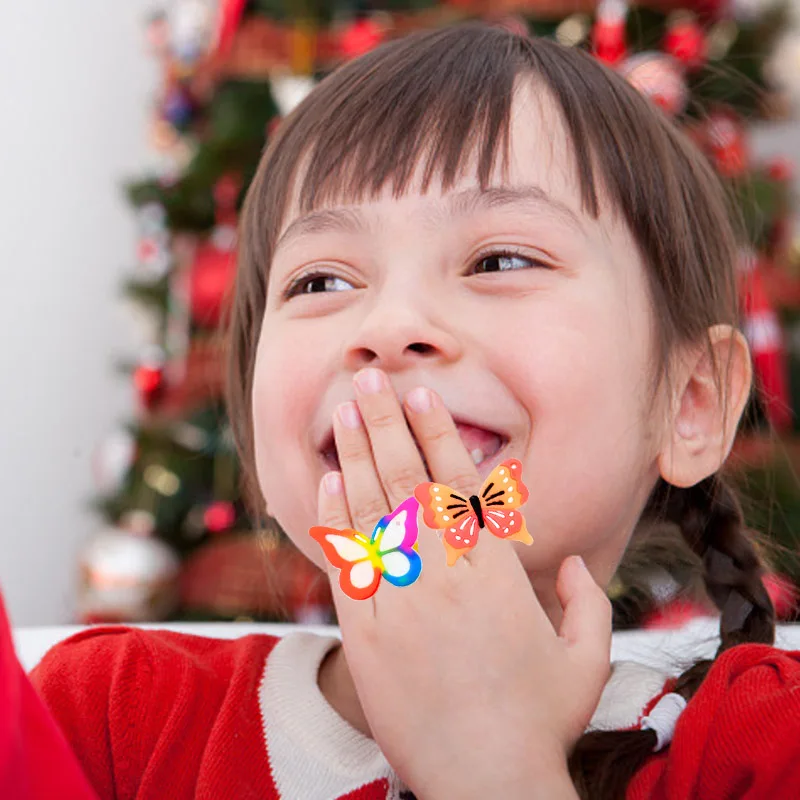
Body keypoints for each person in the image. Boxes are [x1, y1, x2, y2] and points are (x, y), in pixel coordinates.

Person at [1, 21, 799, 800]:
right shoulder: (108, 720)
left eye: (501, 260)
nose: (388, 328)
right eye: (321, 282)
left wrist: (498, 774)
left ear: (689, 403)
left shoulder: (761, 750)